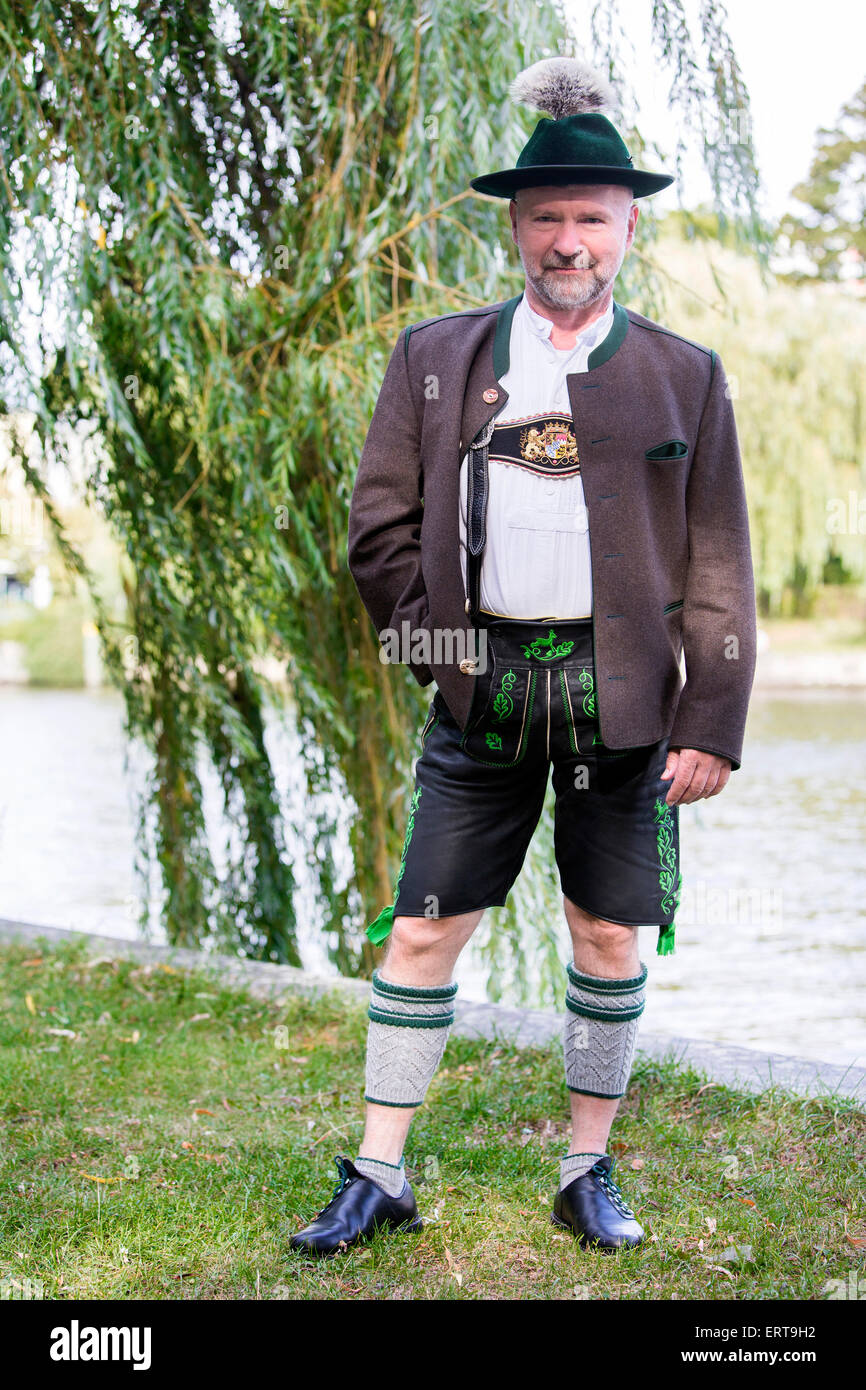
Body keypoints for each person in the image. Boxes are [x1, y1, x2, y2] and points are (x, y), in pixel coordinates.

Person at [290, 56, 756, 1258]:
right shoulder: (434, 357)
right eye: (545, 217)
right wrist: (448, 662)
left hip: (627, 703)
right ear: (514, 225)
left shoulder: (682, 375)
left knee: (606, 934)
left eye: (589, 218)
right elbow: (378, 534)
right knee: (421, 927)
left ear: (625, 226)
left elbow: (716, 561)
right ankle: (378, 1172)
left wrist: (711, 719)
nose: (566, 240)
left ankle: (583, 1166)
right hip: (480, 695)